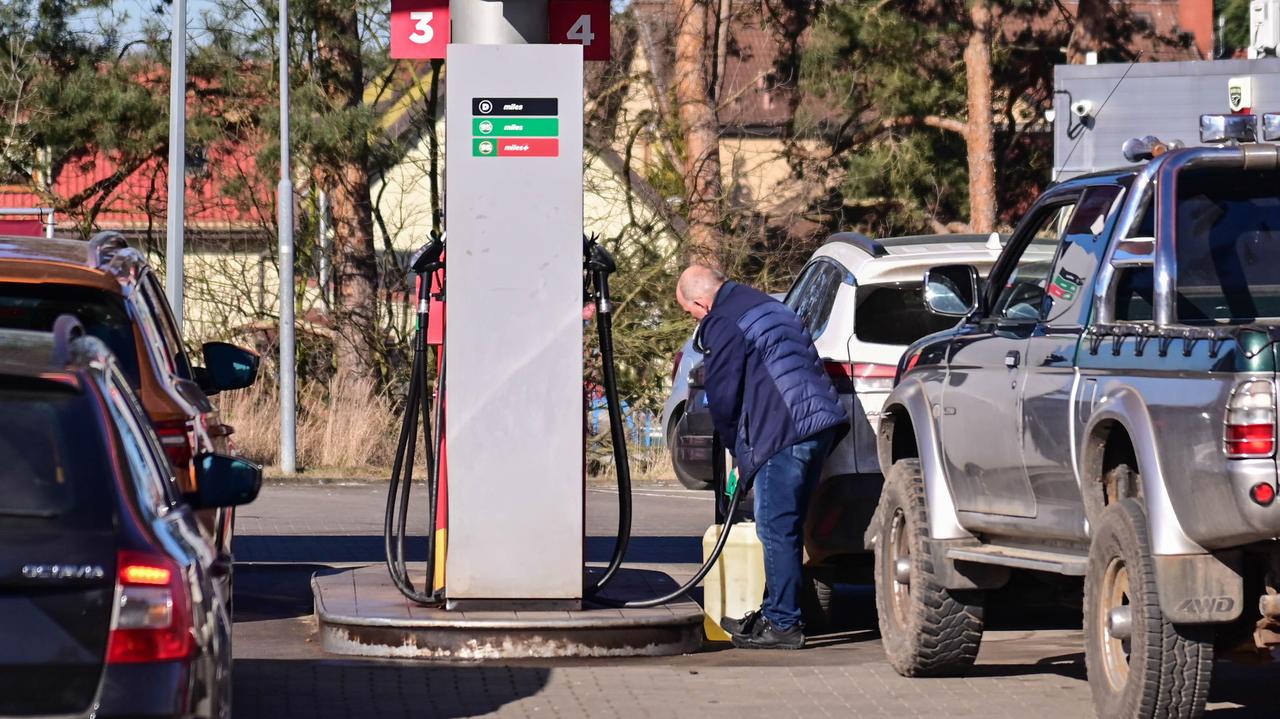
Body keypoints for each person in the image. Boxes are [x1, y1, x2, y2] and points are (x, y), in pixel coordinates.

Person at [676, 265, 848, 649]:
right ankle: (777, 610)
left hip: (783, 431)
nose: (698, 320)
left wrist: (739, 451)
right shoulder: (771, 306)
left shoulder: (724, 320)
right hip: (819, 425)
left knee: (774, 526)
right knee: (788, 526)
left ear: (702, 302)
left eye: (693, 313)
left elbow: (723, 394)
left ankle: (783, 624)